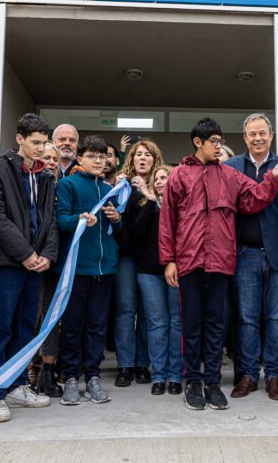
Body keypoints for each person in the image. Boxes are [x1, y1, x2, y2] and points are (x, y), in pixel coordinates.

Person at [159, 117, 278, 411]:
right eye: (214, 142)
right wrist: (169, 260)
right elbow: (167, 220)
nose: (219, 147)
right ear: (198, 142)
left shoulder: (230, 175)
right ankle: (193, 382)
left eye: (221, 141)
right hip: (189, 261)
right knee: (191, 323)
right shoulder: (179, 175)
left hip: (221, 261)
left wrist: (273, 176)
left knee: (216, 324)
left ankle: (212, 382)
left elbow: (254, 200)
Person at [0, 113, 57, 422]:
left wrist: (47, 255)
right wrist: (25, 253)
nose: (40, 149)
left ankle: (17, 385)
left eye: (44, 143)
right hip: (8, 263)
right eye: (35, 142)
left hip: (36, 265)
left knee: (26, 328)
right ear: (19, 139)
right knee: (1, 327)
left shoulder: (46, 175)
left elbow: (49, 219)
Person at [224, 114, 278, 402]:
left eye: (262, 133)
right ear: (245, 138)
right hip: (244, 254)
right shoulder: (230, 168)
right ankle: (248, 374)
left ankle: (274, 375)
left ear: (271, 136)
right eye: (252, 134)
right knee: (247, 318)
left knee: (277, 317)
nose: (258, 138)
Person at [56, 135, 122, 406]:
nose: (98, 161)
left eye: (102, 156)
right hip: (76, 268)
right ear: (80, 158)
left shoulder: (109, 189)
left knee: (97, 326)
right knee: (72, 325)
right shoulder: (67, 184)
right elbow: (61, 221)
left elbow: (116, 229)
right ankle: (71, 377)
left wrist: (117, 219)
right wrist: (80, 219)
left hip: (105, 269)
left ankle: (93, 376)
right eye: (92, 156)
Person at [122, 165, 183, 395]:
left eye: (164, 177)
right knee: (157, 323)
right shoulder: (145, 204)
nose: (159, 181)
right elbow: (136, 236)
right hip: (148, 272)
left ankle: (175, 376)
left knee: (176, 323)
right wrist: (149, 202)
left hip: (177, 270)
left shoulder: (182, 205)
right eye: (156, 179)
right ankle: (158, 375)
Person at [114, 140, 164, 387]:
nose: (143, 158)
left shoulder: (160, 187)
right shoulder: (121, 186)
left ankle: (142, 363)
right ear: (131, 159)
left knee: (147, 313)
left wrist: (150, 194)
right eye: (138, 154)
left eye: (148, 155)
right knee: (126, 310)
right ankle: (125, 364)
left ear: (155, 160)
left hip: (150, 259)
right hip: (126, 256)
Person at [26, 140, 63, 397]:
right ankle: (30, 365)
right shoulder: (28, 185)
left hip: (54, 261)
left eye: (54, 159)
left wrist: (49, 255)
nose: (50, 162)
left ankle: (48, 370)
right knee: (31, 317)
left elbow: (55, 224)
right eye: (46, 157)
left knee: (51, 316)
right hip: (28, 260)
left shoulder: (64, 188)